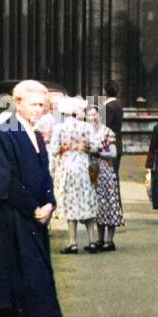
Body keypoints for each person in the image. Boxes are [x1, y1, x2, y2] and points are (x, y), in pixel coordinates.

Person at [0, 79, 89, 317]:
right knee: (15, 273)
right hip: (10, 217)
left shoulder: (35, 134)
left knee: (33, 270)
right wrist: (33, 207)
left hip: (32, 216)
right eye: (36, 104)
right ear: (18, 103)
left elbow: (43, 175)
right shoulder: (4, 134)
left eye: (44, 105)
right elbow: (4, 180)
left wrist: (50, 202)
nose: (41, 110)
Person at [50, 97, 98, 253]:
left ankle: (73, 242)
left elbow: (54, 150)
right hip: (84, 166)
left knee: (70, 203)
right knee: (86, 200)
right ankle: (92, 241)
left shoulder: (59, 128)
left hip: (67, 167)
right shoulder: (87, 127)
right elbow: (95, 147)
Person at [86, 104, 123, 251]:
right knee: (97, 205)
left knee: (109, 203)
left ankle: (110, 240)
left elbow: (113, 153)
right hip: (91, 171)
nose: (92, 118)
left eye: (94, 115)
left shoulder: (107, 132)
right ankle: (100, 239)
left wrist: (100, 151)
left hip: (105, 170)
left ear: (100, 115)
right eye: (89, 116)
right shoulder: (86, 132)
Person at [101, 81, 125, 175]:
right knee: (115, 173)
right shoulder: (118, 105)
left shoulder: (108, 107)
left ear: (105, 91)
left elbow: (105, 126)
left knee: (110, 174)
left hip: (109, 143)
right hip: (117, 142)